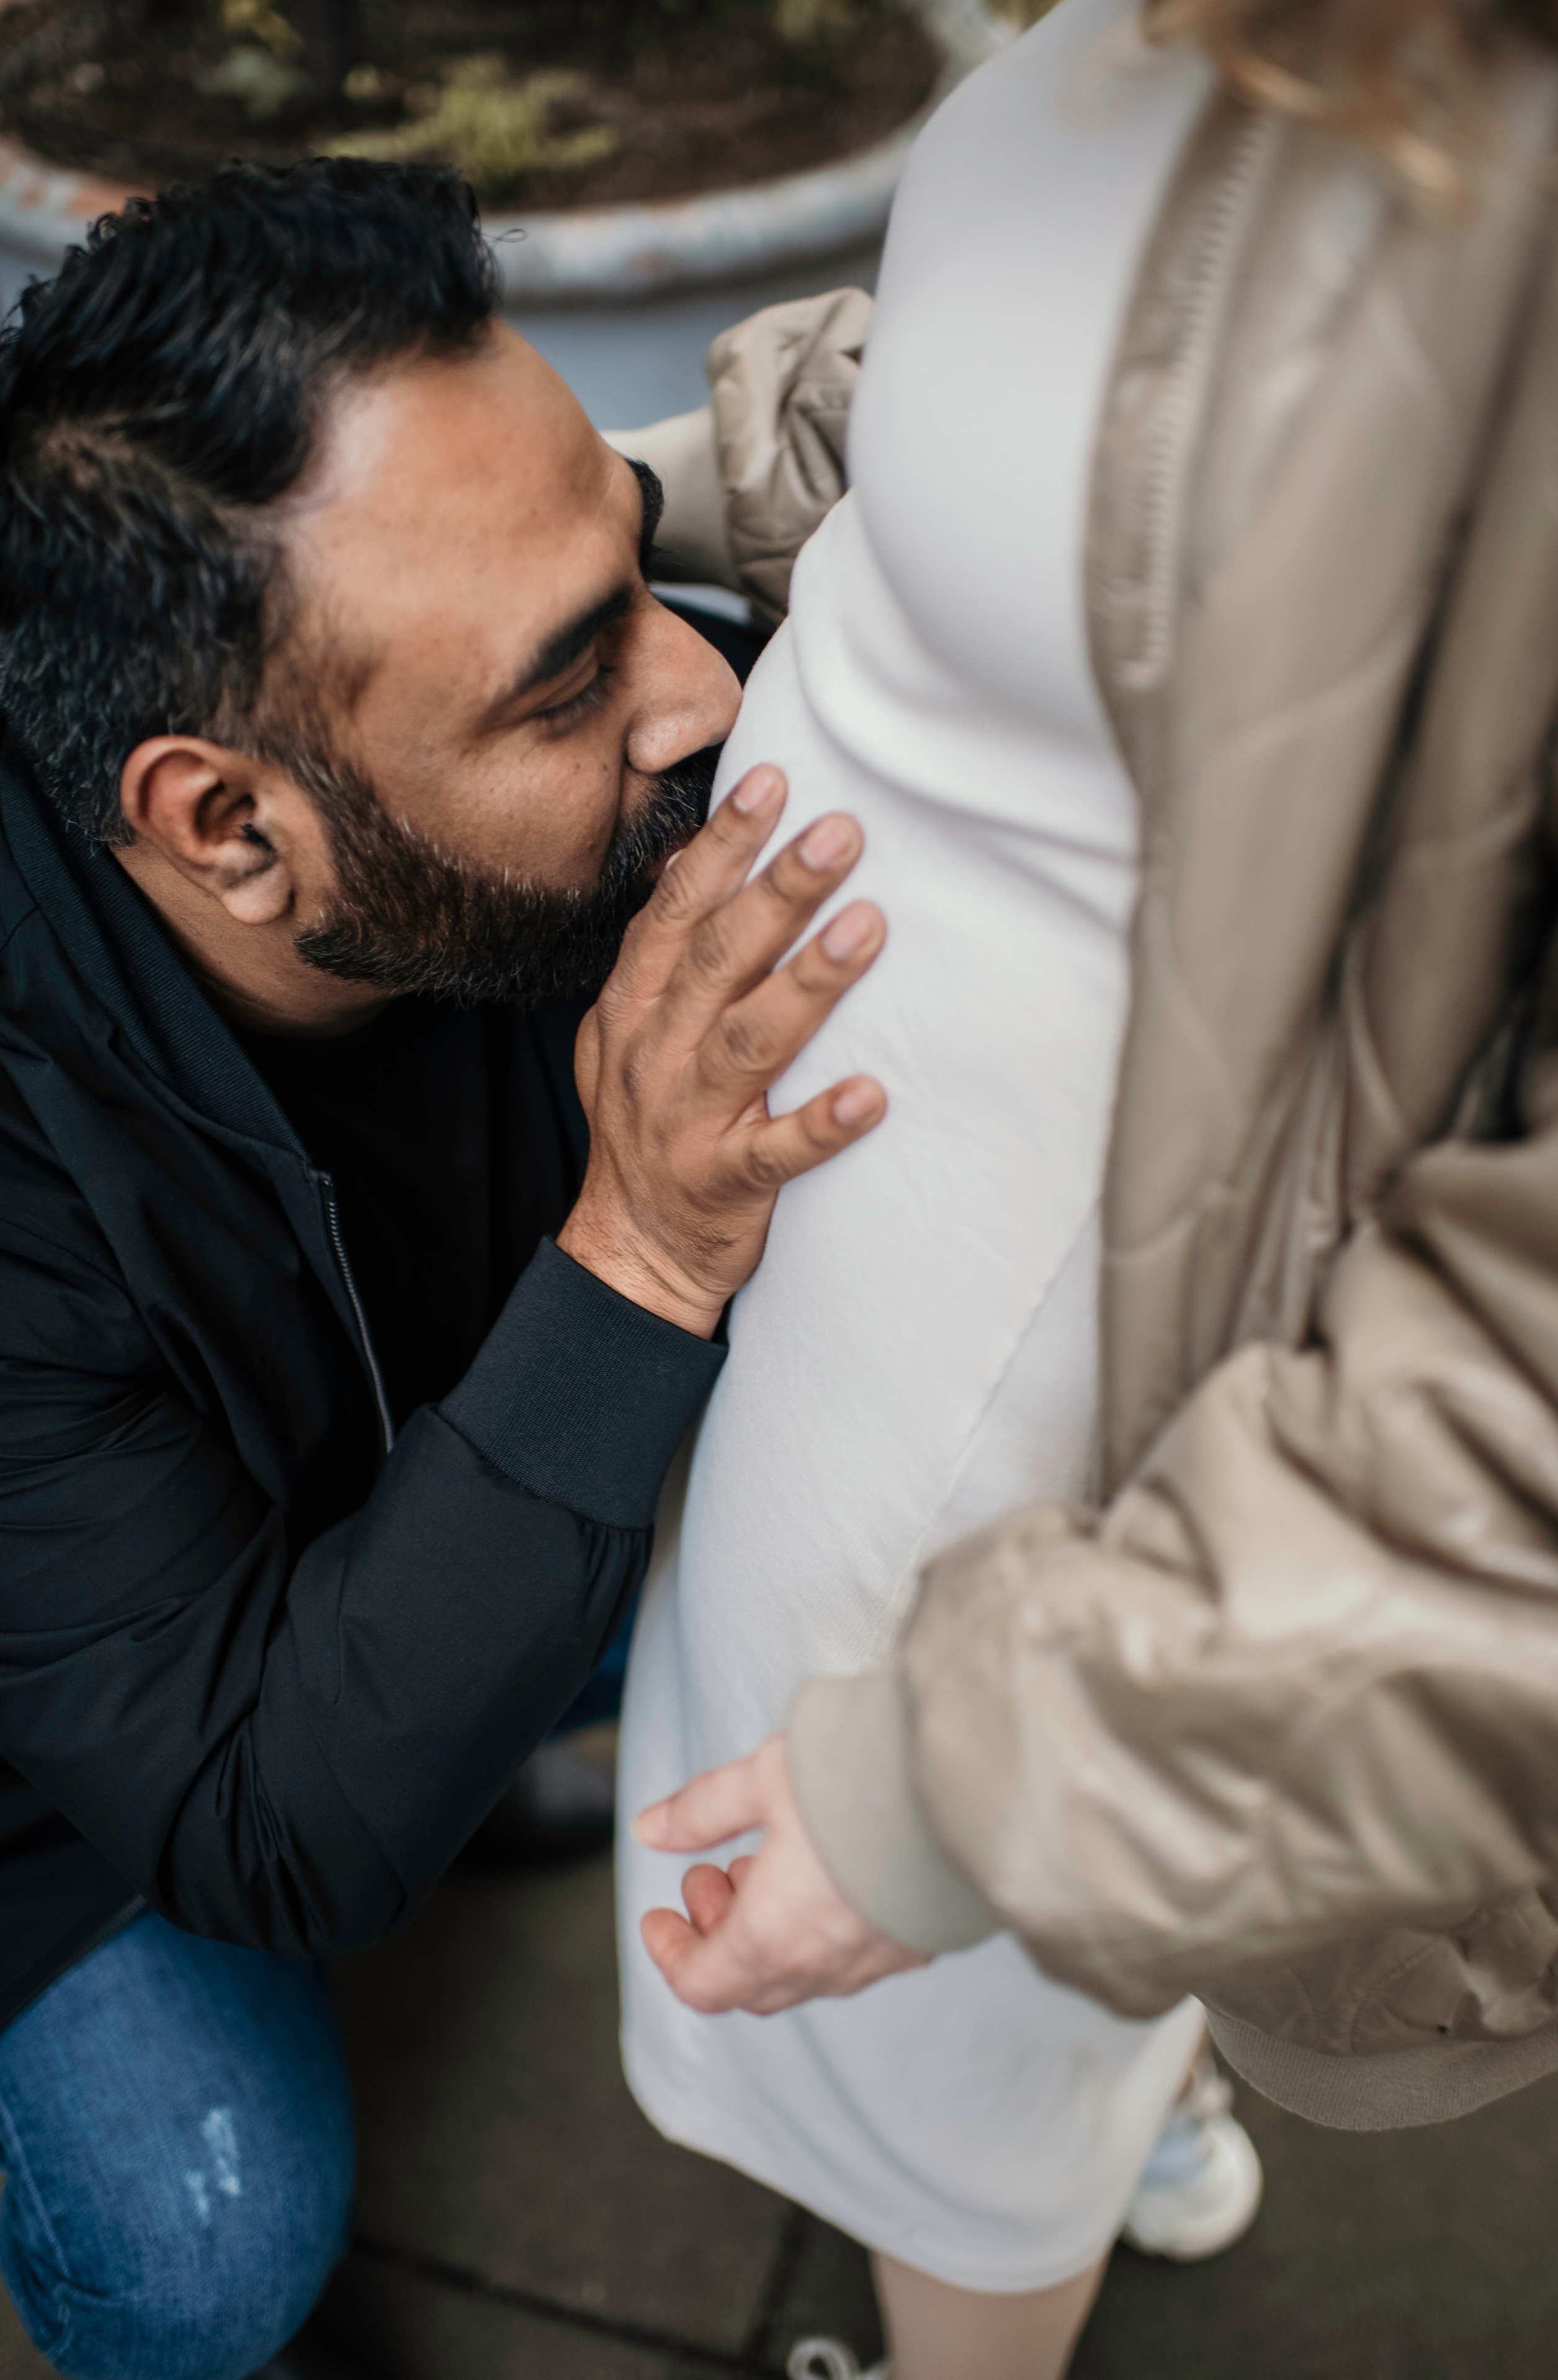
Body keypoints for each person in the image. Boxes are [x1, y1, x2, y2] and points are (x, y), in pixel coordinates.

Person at [637, 0, 1558, 2342]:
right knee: (1030, 2017)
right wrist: (613, 489)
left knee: (926, 2085)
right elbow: (1084, 407)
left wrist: (977, 1783)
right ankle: (1129, 2062)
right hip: (869, 1270)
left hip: (1051, 1429)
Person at [0, 159, 890, 2380]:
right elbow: (261, 1826)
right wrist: (646, 1243)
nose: (698, 690)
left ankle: (517, 1713)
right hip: (69, 1749)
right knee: (202, 2228)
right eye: (569, 676)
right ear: (227, 825)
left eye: (629, 552)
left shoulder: (482, 735)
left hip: (375, 1466)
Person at [617, 11, 1269, 2379]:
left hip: (1041, 1316)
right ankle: (1159, 2098)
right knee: (1040, 1950)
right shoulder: (1175, 40)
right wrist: (592, 504)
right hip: (876, 1208)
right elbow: (977, 407)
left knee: (931, 2019)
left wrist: (937, 1798)